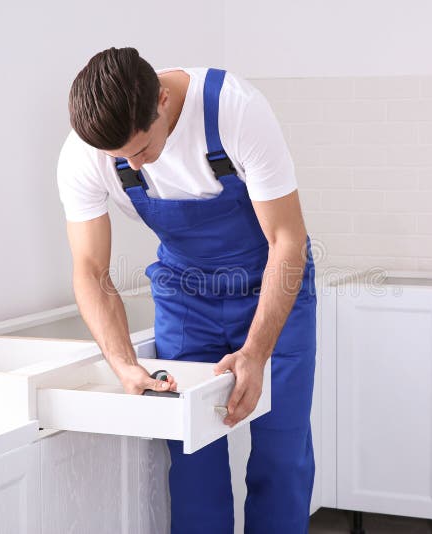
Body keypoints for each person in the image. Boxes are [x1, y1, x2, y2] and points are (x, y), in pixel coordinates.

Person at [57, 46, 316, 534]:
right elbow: (90, 270)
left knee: (282, 456)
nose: (133, 165)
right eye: (120, 158)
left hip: (271, 285)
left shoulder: (234, 109)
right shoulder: (84, 155)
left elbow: (287, 242)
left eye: (140, 150)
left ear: (161, 100)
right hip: (184, 297)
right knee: (192, 458)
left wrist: (256, 352)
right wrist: (123, 365)